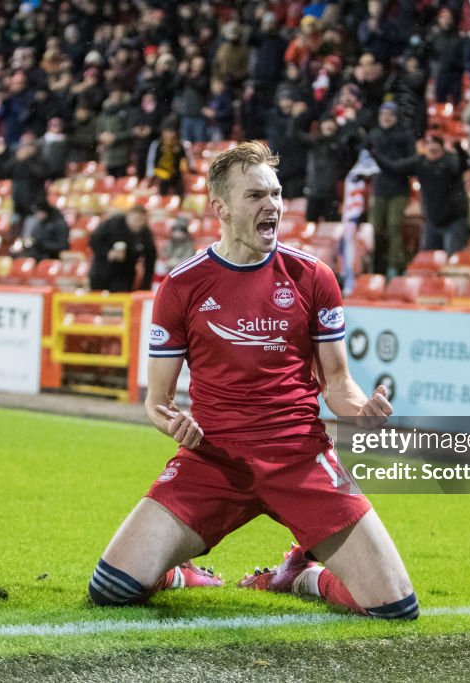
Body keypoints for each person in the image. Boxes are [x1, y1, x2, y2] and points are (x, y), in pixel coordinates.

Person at [88, 142, 418, 622]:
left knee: (396, 608)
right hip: (215, 461)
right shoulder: (182, 287)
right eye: (256, 195)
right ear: (220, 208)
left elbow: (339, 384)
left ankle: (305, 574)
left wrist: (360, 408)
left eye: (277, 193)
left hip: (300, 458)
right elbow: (157, 401)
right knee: (111, 589)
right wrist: (173, 423)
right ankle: (180, 572)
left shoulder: (313, 277)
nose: (273, 205)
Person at [372, 134, 470, 258]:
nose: (433, 152)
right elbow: (394, 168)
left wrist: (460, 151)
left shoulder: (450, 160)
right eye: (430, 148)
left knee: (453, 259)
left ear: (442, 149)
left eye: (436, 149)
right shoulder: (420, 162)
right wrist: (375, 155)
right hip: (432, 219)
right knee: (426, 258)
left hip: (454, 220)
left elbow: (461, 166)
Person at [363, 103, 414, 277]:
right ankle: (371, 265)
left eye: (390, 114)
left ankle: (394, 266)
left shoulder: (405, 135)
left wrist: (382, 160)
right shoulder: (374, 134)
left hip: (399, 189)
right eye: (383, 113)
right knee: (373, 229)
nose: (386, 117)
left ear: (396, 116)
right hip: (379, 188)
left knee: (394, 227)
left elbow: (409, 163)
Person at [88, 205, 157, 292]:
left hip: (125, 274)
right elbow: (94, 240)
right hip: (102, 269)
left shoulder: (145, 234)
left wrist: (145, 287)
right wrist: (108, 253)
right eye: (136, 219)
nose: (139, 223)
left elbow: (150, 261)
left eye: (142, 220)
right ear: (128, 216)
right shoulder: (113, 224)